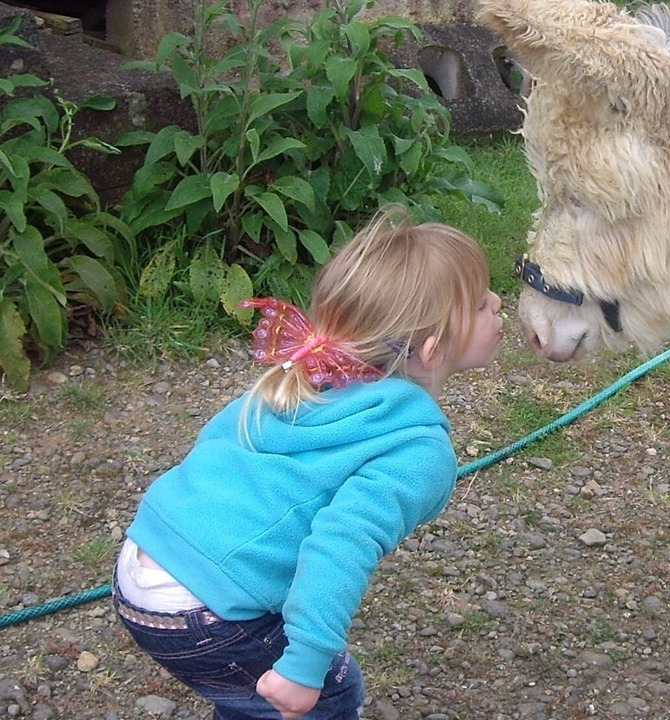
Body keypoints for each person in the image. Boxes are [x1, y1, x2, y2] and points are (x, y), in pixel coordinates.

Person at [111, 207, 504, 719]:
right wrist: (305, 664)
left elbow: (216, 443)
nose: (498, 303)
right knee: (327, 695)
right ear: (431, 351)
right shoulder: (417, 449)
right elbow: (340, 547)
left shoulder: (304, 377)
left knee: (251, 695)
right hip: (207, 609)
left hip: (143, 561)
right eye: (481, 303)